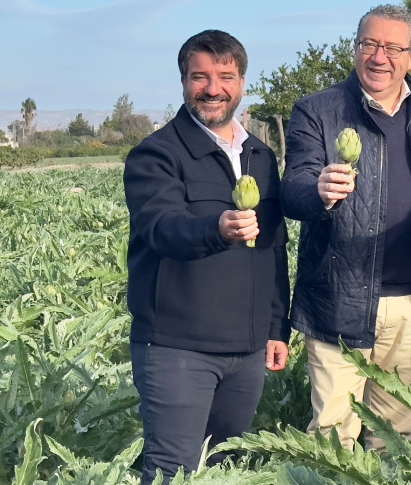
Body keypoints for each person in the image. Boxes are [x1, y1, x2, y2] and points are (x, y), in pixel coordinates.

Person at [281, 4, 411, 450]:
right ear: (355, 48)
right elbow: (293, 189)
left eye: (393, 48)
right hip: (338, 299)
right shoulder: (317, 111)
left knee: (396, 436)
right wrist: (318, 190)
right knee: (333, 437)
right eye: (369, 45)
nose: (380, 58)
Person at [123, 29, 290, 484]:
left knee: (221, 469)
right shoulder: (156, 154)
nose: (213, 89)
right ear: (183, 81)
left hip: (248, 350)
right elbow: (160, 228)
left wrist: (276, 328)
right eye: (200, 77)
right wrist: (216, 229)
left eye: (225, 76)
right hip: (179, 349)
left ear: (241, 82)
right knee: (172, 471)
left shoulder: (260, 155)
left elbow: (274, 247)